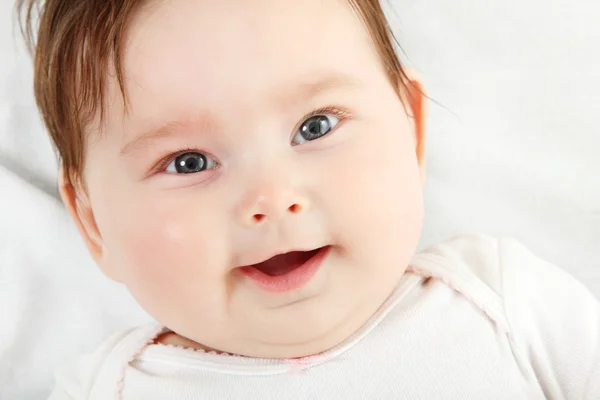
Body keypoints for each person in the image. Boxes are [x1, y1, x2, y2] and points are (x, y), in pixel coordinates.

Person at [16, 0, 600, 398]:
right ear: (94, 225)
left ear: (412, 129)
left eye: (316, 126)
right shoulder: (103, 389)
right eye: (189, 162)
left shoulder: (502, 302)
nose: (272, 199)